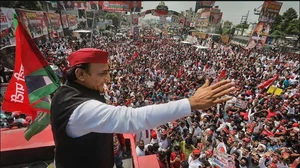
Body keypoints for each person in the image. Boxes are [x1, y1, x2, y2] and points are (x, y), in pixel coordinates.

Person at [50, 48, 235, 168]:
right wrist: (191, 103)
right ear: (81, 74)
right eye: (103, 73)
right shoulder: (78, 109)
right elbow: (133, 119)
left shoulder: (67, 93)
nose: (108, 79)